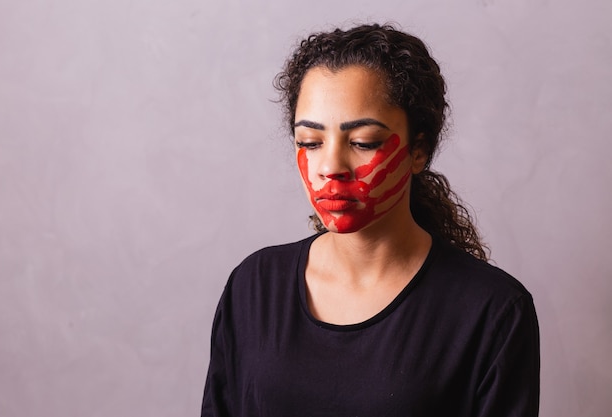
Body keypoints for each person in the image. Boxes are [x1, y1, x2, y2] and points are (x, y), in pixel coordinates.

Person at [202, 23, 540, 417]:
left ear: (419, 150)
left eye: (363, 142)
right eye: (310, 143)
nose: (330, 166)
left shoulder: (492, 310)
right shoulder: (253, 287)